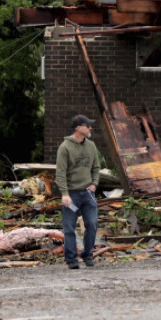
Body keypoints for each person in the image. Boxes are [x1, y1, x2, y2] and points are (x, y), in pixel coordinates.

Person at [56, 114, 101, 269]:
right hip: (72, 194)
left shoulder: (91, 146)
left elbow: (96, 168)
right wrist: (64, 193)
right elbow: (60, 172)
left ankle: (87, 255)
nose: (90, 128)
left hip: (88, 193)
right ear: (78, 128)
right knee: (69, 228)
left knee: (92, 224)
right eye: (87, 126)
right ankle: (71, 259)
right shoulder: (65, 147)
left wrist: (94, 184)